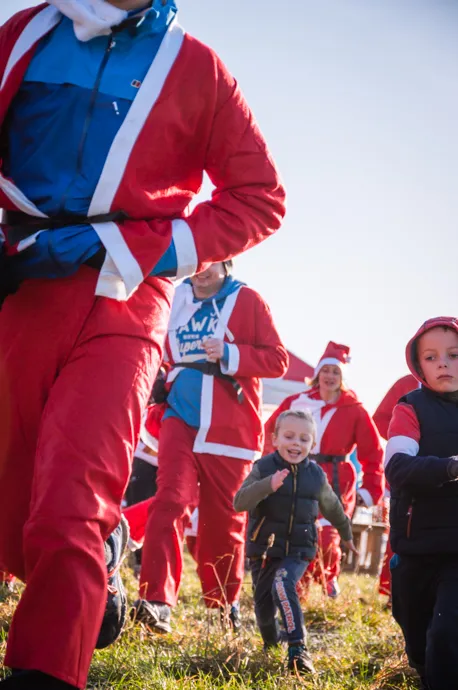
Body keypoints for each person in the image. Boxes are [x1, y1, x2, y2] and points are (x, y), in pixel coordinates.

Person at [0, 0, 285, 686]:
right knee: (12, 492)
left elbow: (259, 199)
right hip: (19, 276)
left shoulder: (198, 67)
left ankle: (50, 659)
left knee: (75, 495)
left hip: (126, 299)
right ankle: (103, 560)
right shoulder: (24, 33)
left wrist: (134, 246)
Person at [132, 261, 289, 633]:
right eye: (196, 259)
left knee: (223, 521)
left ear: (226, 261)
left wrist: (231, 354)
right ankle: (156, 600)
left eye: (211, 260)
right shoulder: (175, 295)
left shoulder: (246, 299)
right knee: (170, 498)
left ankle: (223, 605)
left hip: (229, 427)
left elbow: (278, 359)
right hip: (178, 417)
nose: (201, 269)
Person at [234, 409, 356, 674]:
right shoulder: (263, 467)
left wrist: (346, 533)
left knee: (283, 583)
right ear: (275, 439)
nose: (296, 444)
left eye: (304, 439)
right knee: (263, 609)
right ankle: (271, 643)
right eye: (289, 436)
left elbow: (333, 506)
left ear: (312, 445)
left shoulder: (315, 475)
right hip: (264, 548)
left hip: (300, 548)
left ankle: (298, 649)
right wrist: (268, 484)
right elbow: (239, 502)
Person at [264, 341, 384, 597]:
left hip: (336, 480)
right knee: (296, 534)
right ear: (317, 373)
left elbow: (373, 452)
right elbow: (269, 433)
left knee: (328, 539)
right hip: (296, 475)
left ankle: (328, 578)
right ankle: (297, 590)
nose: (330, 376)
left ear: (342, 377)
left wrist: (371, 489)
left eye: (336, 372)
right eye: (326, 370)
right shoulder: (296, 401)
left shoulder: (354, 409)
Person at [386, 316, 458, 690]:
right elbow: (397, 466)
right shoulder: (409, 408)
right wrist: (449, 468)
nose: (443, 363)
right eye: (431, 357)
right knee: (415, 633)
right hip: (415, 546)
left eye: (453, 354)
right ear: (419, 365)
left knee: (446, 636)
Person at [373, 374, 418, 599]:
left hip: (448, 469)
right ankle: (392, 590)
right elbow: (380, 418)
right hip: (408, 468)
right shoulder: (406, 384)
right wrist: (406, 437)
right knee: (401, 529)